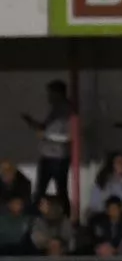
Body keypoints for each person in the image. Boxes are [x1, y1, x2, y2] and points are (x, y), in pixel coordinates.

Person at [23, 81, 72, 209]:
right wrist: (32, 123)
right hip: (48, 156)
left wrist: (45, 135)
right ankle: (36, 218)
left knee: (60, 191)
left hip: (58, 158)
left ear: (58, 93)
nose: (48, 97)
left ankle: (66, 220)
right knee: (41, 190)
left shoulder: (66, 111)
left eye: (51, 93)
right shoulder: (55, 109)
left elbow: (68, 136)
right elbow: (46, 129)